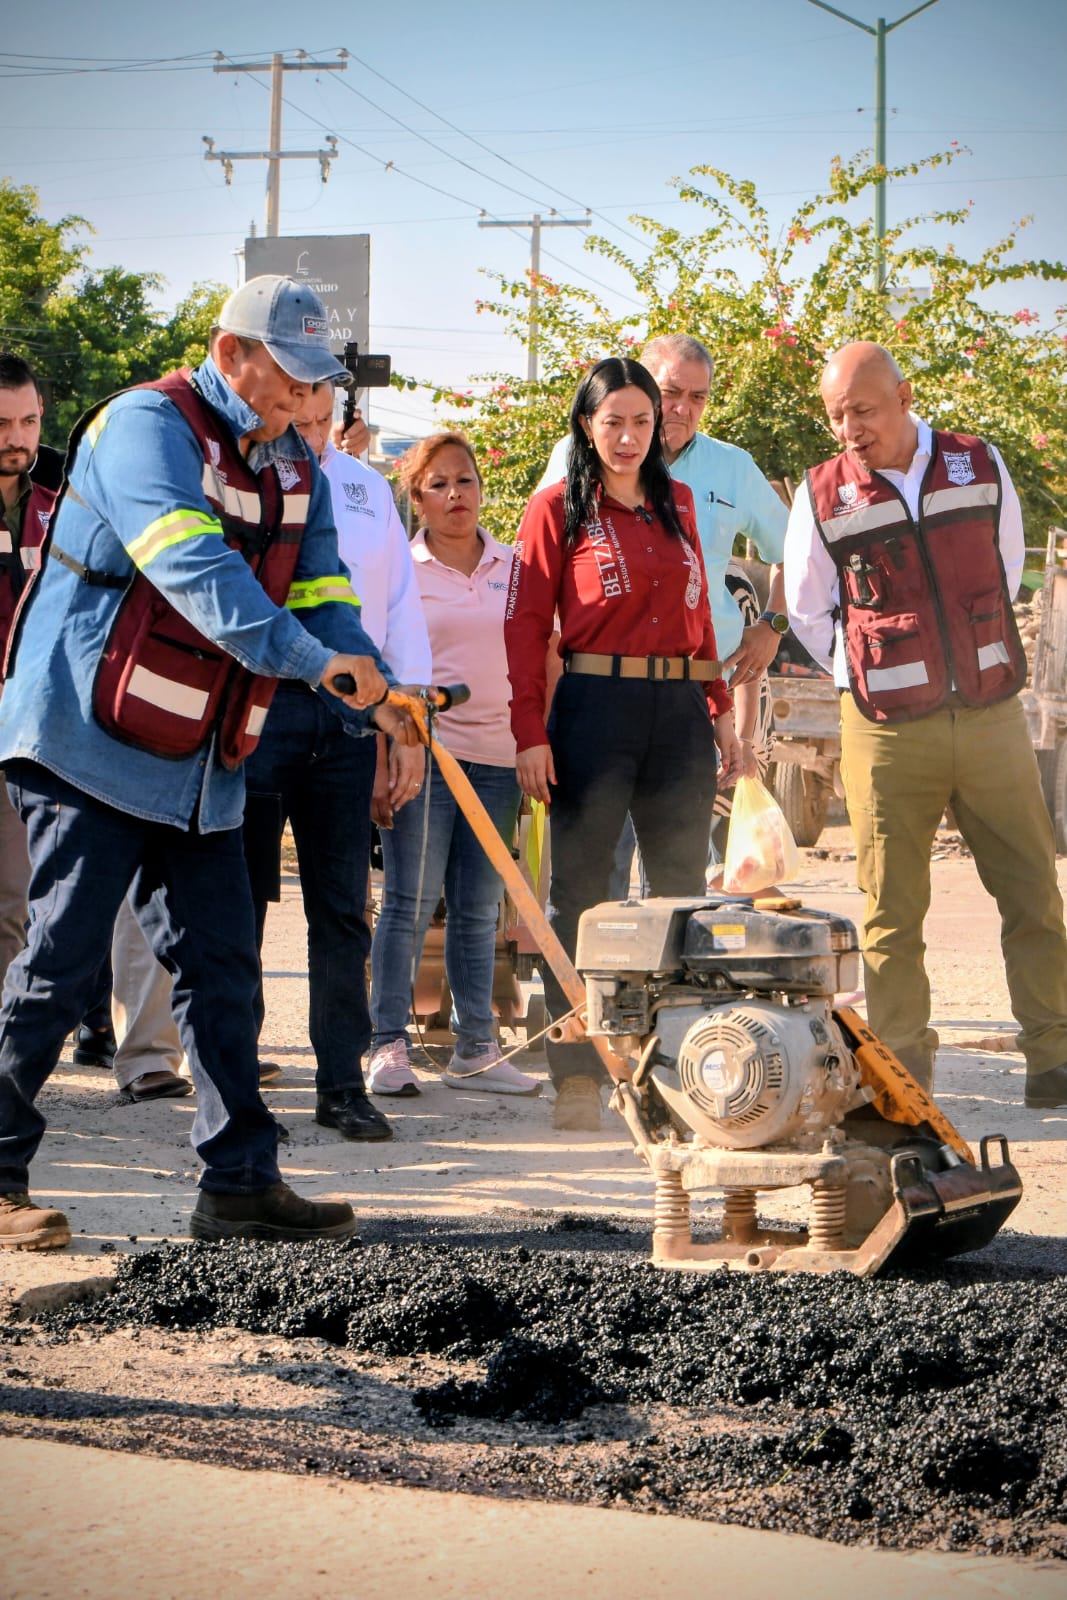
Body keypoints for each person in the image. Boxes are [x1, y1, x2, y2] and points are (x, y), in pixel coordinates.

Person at [0, 274, 418, 1250]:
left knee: (224, 965)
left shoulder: (294, 464)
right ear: (231, 354)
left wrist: (376, 677)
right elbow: (194, 576)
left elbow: (323, 592)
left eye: (316, 385)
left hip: (196, 757)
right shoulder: (141, 429)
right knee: (61, 963)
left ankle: (238, 1182)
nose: (304, 402)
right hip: (84, 742)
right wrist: (322, 665)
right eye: (289, 378)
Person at [784, 339, 1067, 1107]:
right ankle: (903, 1078)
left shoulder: (981, 463)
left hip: (988, 718)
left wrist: (957, 659)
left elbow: (1003, 569)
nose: (849, 429)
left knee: (1033, 893)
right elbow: (808, 611)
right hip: (881, 728)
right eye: (836, 415)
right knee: (889, 910)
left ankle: (1053, 1063)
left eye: (863, 411)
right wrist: (871, 670)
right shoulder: (818, 494)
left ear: (904, 398)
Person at [506, 357, 742, 1131]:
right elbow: (523, 629)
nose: (631, 436)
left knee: (682, 895)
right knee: (582, 901)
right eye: (614, 422)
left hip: (675, 713)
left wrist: (719, 712)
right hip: (591, 711)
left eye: (643, 421)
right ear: (586, 426)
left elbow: (700, 614)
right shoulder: (554, 510)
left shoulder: (675, 503)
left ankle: (673, 1074)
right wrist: (528, 734)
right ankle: (577, 1074)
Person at [240, 381, 433, 1141]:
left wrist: (404, 722)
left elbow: (396, 605)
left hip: (351, 713)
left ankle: (341, 1085)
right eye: (299, 418)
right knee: (241, 906)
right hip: (260, 710)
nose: (311, 435)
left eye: (324, 421)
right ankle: (239, 1086)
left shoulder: (362, 489)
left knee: (342, 910)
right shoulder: (241, 474)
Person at [540, 335, 788, 887]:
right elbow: (539, 584)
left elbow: (796, 551)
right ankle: (592, 976)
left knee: (679, 876)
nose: (683, 408)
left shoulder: (731, 469)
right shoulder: (574, 460)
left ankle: (666, 975)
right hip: (599, 692)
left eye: (698, 397)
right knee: (594, 874)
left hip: (695, 698)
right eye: (672, 392)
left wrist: (772, 625)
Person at [367, 432, 539, 1098]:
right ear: (416, 498)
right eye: (436, 485)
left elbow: (537, 658)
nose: (454, 495)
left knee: (478, 912)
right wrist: (388, 757)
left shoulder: (515, 566)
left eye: (463, 480)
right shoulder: (400, 569)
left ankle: (476, 1048)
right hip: (426, 760)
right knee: (408, 905)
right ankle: (386, 1045)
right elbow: (383, 670)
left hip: (498, 761)